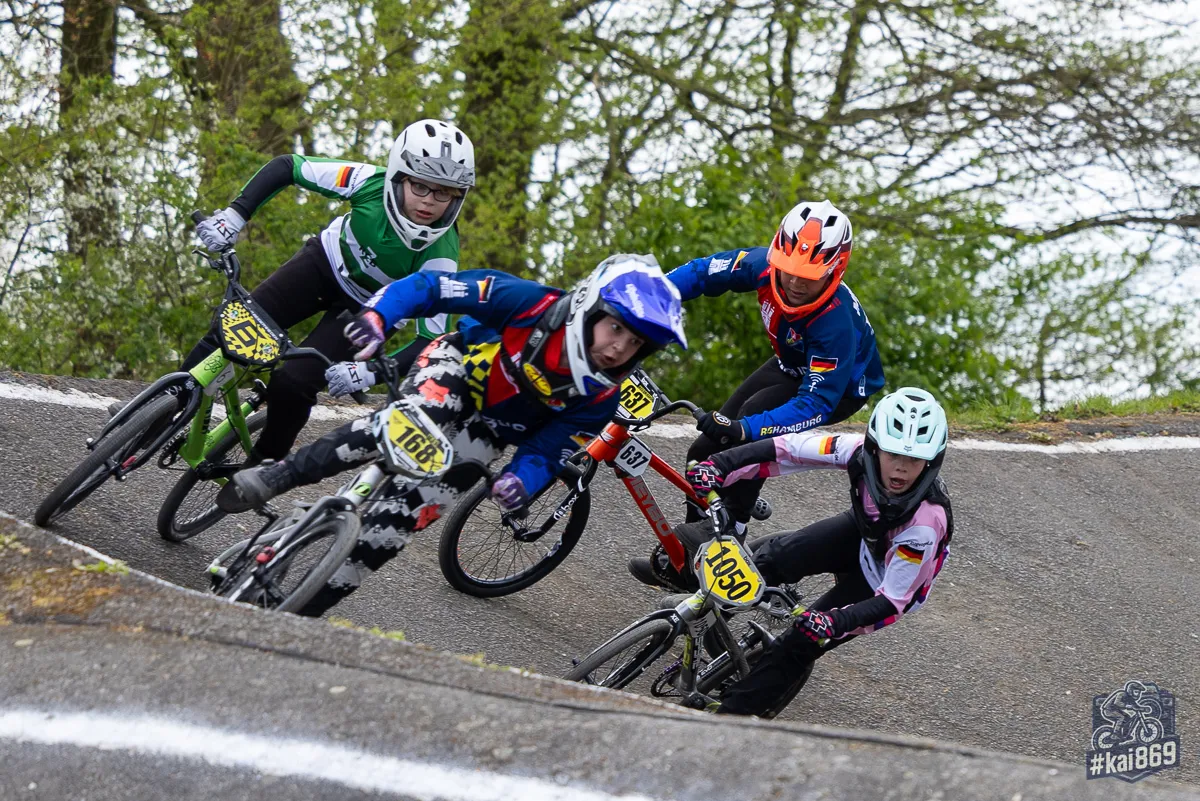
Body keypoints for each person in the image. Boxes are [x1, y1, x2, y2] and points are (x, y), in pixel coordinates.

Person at [215, 254, 688, 616]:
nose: (619, 348)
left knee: (389, 532)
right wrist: (379, 317)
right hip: (456, 370)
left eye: (635, 343)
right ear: (589, 307)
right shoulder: (527, 302)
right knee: (408, 427)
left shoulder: (603, 398)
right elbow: (432, 288)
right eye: (616, 328)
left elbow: (546, 451)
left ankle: (298, 615)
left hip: (489, 432)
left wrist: (521, 482)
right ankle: (279, 475)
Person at [180, 119, 475, 463]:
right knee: (230, 327)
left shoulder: (441, 255)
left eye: (443, 192)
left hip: (369, 312)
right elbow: (288, 167)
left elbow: (429, 339)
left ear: (457, 196)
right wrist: (234, 216)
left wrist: (368, 373)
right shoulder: (367, 182)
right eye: (420, 186)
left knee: (293, 383)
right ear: (398, 176)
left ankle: (262, 470)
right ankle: (167, 408)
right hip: (323, 266)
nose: (429, 201)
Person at [628, 199, 886, 591]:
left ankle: (733, 526)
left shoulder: (835, 325)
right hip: (791, 362)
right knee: (703, 450)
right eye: (787, 269)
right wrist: (648, 297)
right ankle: (691, 562)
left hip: (836, 389)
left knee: (747, 431)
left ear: (835, 270)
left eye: (808, 276)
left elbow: (815, 404)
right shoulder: (761, 264)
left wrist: (746, 430)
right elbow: (702, 273)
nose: (794, 282)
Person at [680, 387, 952, 719]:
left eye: (914, 460)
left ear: (931, 461)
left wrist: (833, 621)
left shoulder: (926, 525)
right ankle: (700, 620)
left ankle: (725, 721)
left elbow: (892, 601)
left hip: (883, 580)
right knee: (773, 558)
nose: (900, 470)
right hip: (862, 532)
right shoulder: (855, 450)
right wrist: (719, 465)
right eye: (892, 455)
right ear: (873, 447)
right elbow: (789, 449)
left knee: (800, 643)